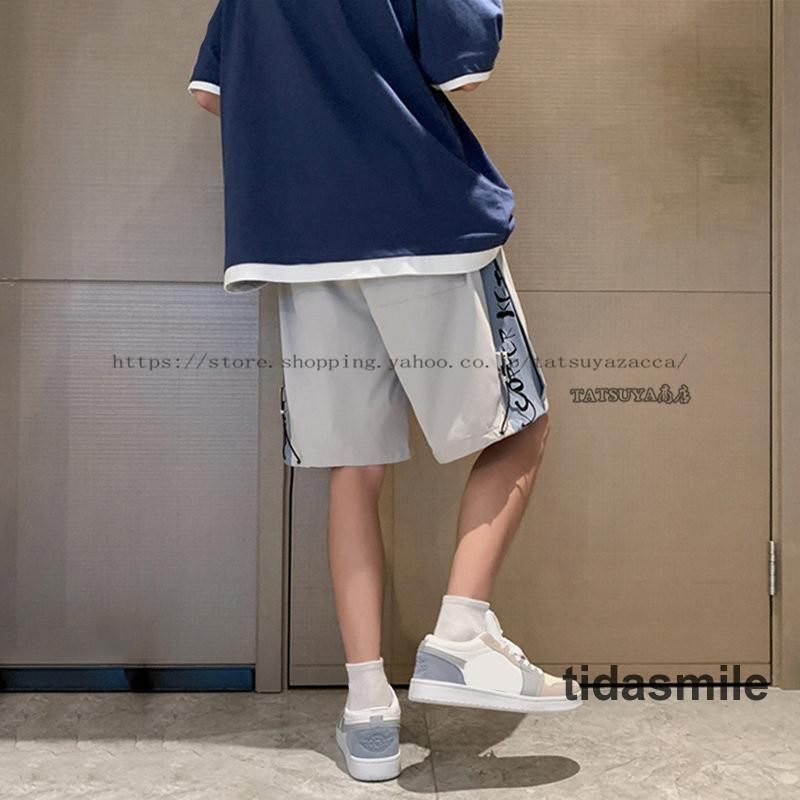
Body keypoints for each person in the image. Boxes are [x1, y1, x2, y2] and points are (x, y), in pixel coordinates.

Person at [188, 0, 581, 783]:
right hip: (422, 225)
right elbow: (465, 71)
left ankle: (368, 713)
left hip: (304, 244)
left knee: (355, 467)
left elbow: (213, 93)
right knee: (520, 427)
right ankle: (461, 636)